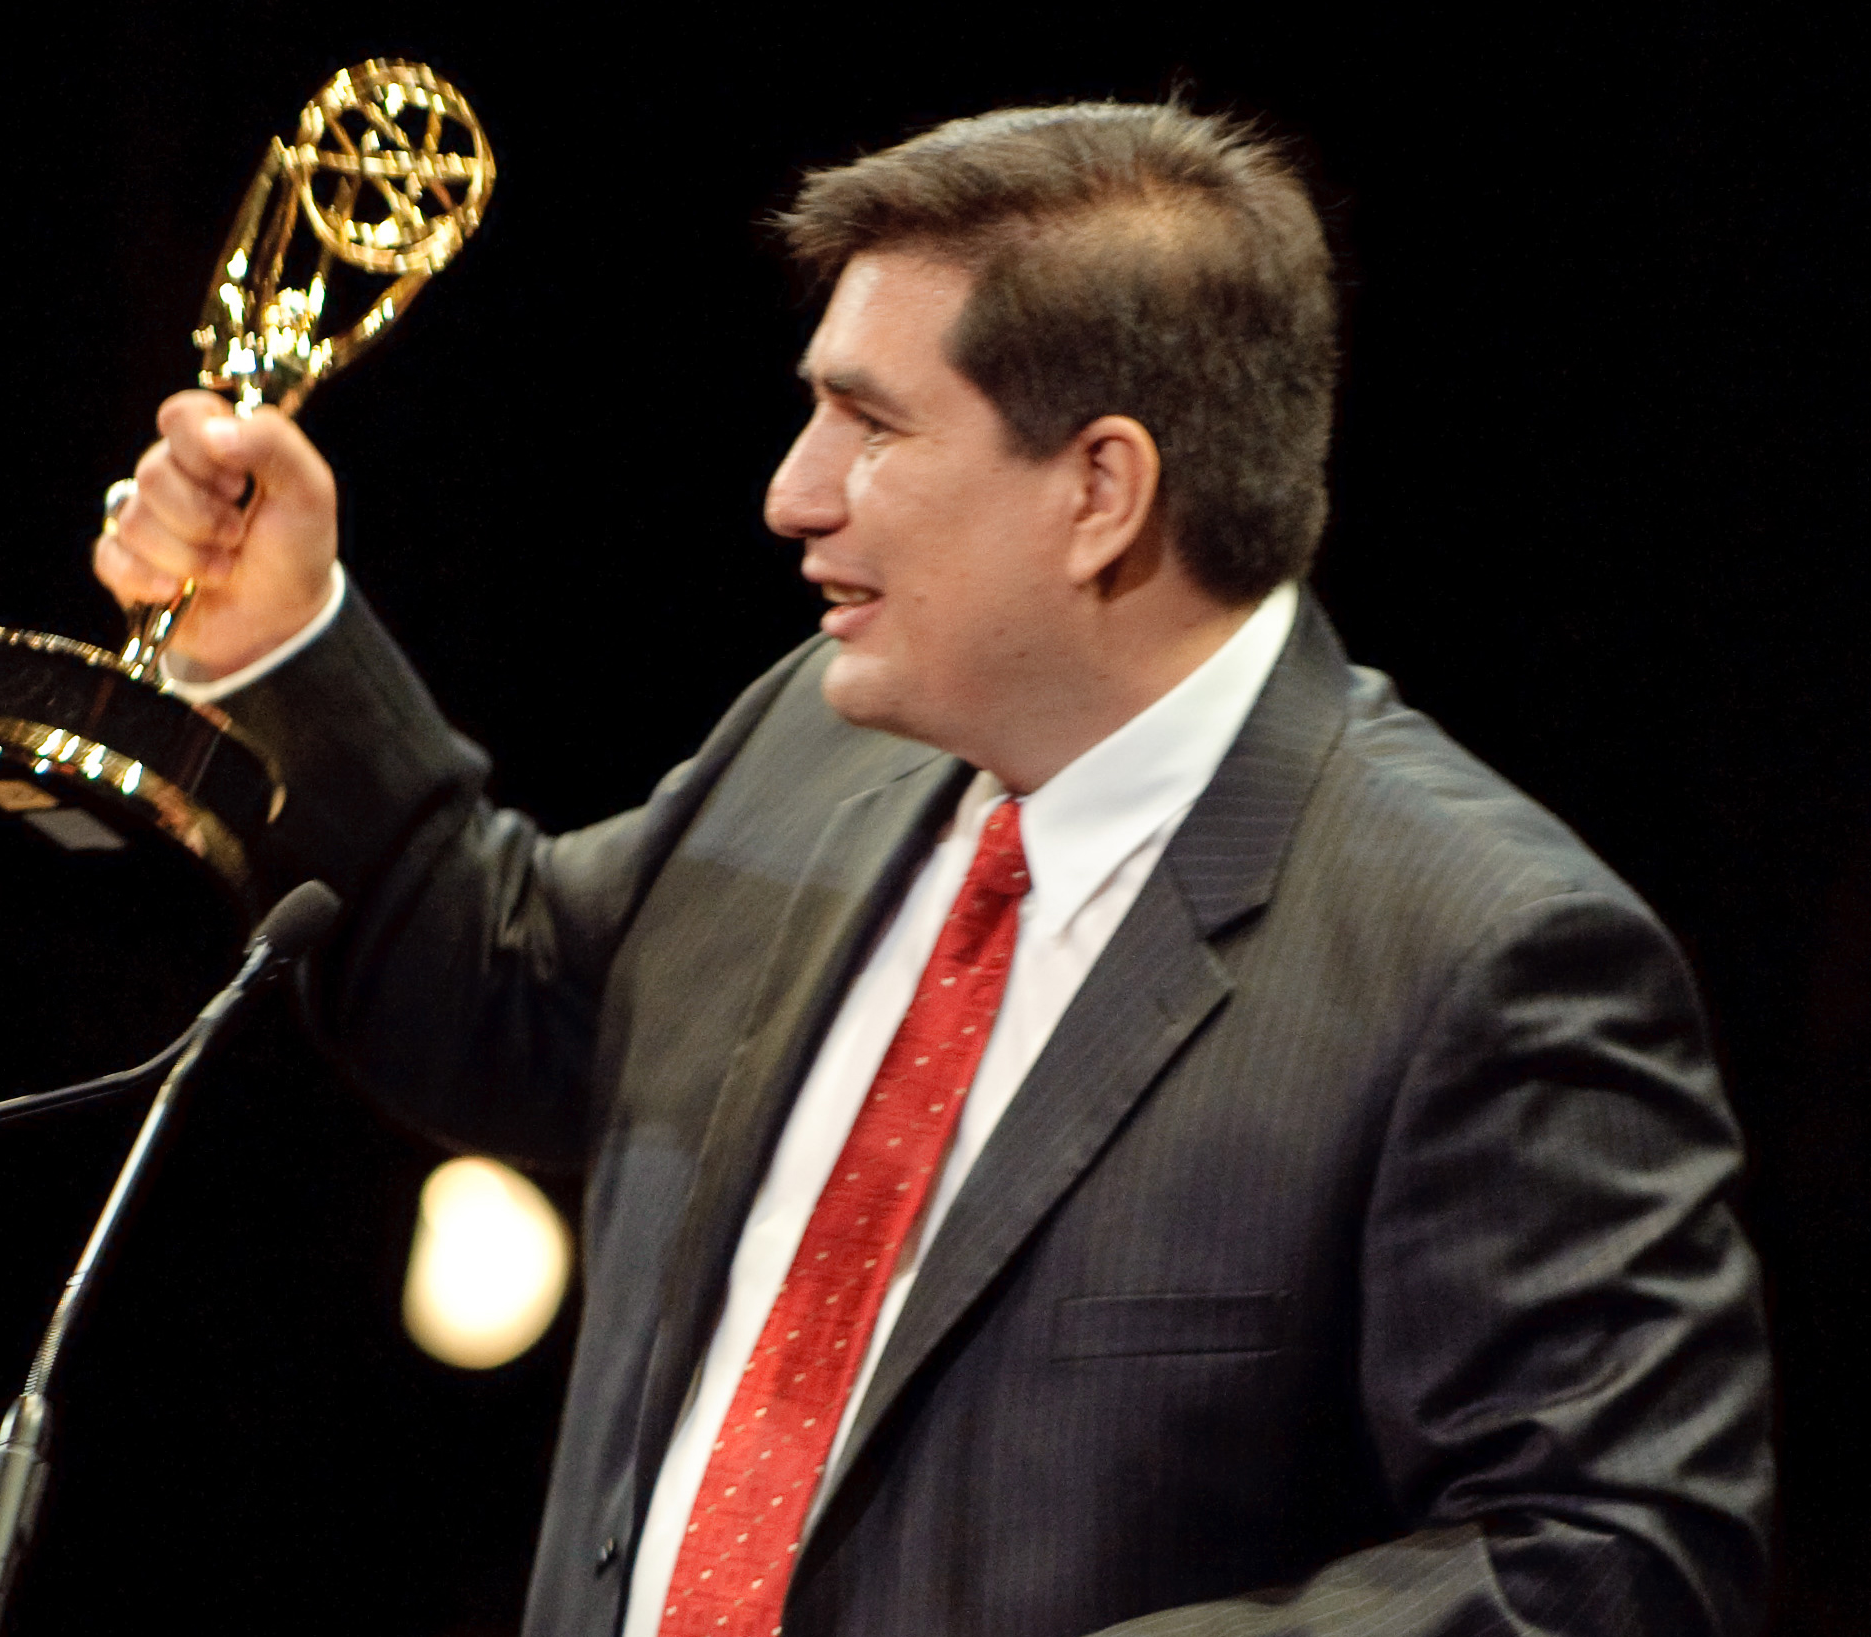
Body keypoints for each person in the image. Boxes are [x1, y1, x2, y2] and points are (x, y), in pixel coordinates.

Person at [95, 102, 1772, 1637]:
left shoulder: (1481, 949)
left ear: (1100, 489)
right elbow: (512, 999)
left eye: (868, 423)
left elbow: (1606, 1555)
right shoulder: (821, 744)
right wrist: (282, 647)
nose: (790, 494)